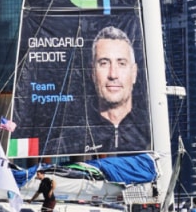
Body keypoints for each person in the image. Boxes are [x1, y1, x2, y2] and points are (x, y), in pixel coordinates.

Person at [43, 25, 150, 156]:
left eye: (121, 63)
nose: (113, 74)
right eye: (104, 63)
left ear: (134, 73)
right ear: (92, 72)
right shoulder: (68, 140)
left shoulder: (151, 131)